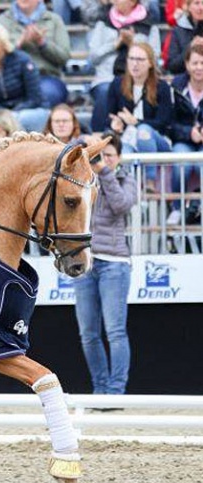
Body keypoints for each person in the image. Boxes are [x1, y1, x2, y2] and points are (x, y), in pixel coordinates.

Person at [72, 132, 137, 396]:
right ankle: (100, 390)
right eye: (98, 155)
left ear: (118, 157)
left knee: (115, 331)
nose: (103, 160)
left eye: (109, 155)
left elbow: (121, 205)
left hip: (115, 263)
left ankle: (116, 391)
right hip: (85, 262)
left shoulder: (126, 179)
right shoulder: (82, 180)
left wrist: (104, 171)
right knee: (88, 333)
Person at [106, 42, 173, 191]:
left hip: (156, 140)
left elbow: (164, 122)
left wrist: (136, 122)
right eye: (131, 58)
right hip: (128, 138)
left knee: (143, 130)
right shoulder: (117, 84)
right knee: (125, 152)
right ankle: (130, 194)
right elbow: (108, 116)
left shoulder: (162, 87)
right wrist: (115, 124)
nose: (134, 64)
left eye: (140, 59)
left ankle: (150, 182)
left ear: (150, 63)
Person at [88, 0, 160, 132]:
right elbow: (93, 58)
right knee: (106, 91)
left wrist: (133, 43)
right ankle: (98, 136)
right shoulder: (103, 23)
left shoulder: (149, 26)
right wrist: (116, 44)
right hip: (107, 78)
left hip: (140, 80)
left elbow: (154, 60)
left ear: (132, 2)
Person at [0, 21, 48, 133]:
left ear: (3, 42)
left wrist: (13, 113)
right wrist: (4, 114)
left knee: (18, 120)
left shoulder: (23, 60)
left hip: (29, 110)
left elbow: (35, 97)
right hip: (1, 113)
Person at [0, 0, 71, 108]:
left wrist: (42, 44)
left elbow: (64, 56)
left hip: (45, 76)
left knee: (49, 94)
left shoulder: (54, 20)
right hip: (11, 79)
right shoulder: (2, 21)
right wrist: (19, 44)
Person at [169, 44, 203, 224]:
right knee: (181, 161)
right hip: (183, 139)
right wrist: (189, 132)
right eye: (195, 63)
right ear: (187, 65)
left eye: (202, 63)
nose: (199, 67)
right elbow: (169, 123)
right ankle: (176, 207)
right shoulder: (176, 86)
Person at [167, 0, 203, 74]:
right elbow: (173, 66)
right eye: (197, 3)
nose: (201, 7)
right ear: (188, 7)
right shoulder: (178, 30)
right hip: (186, 78)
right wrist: (190, 48)